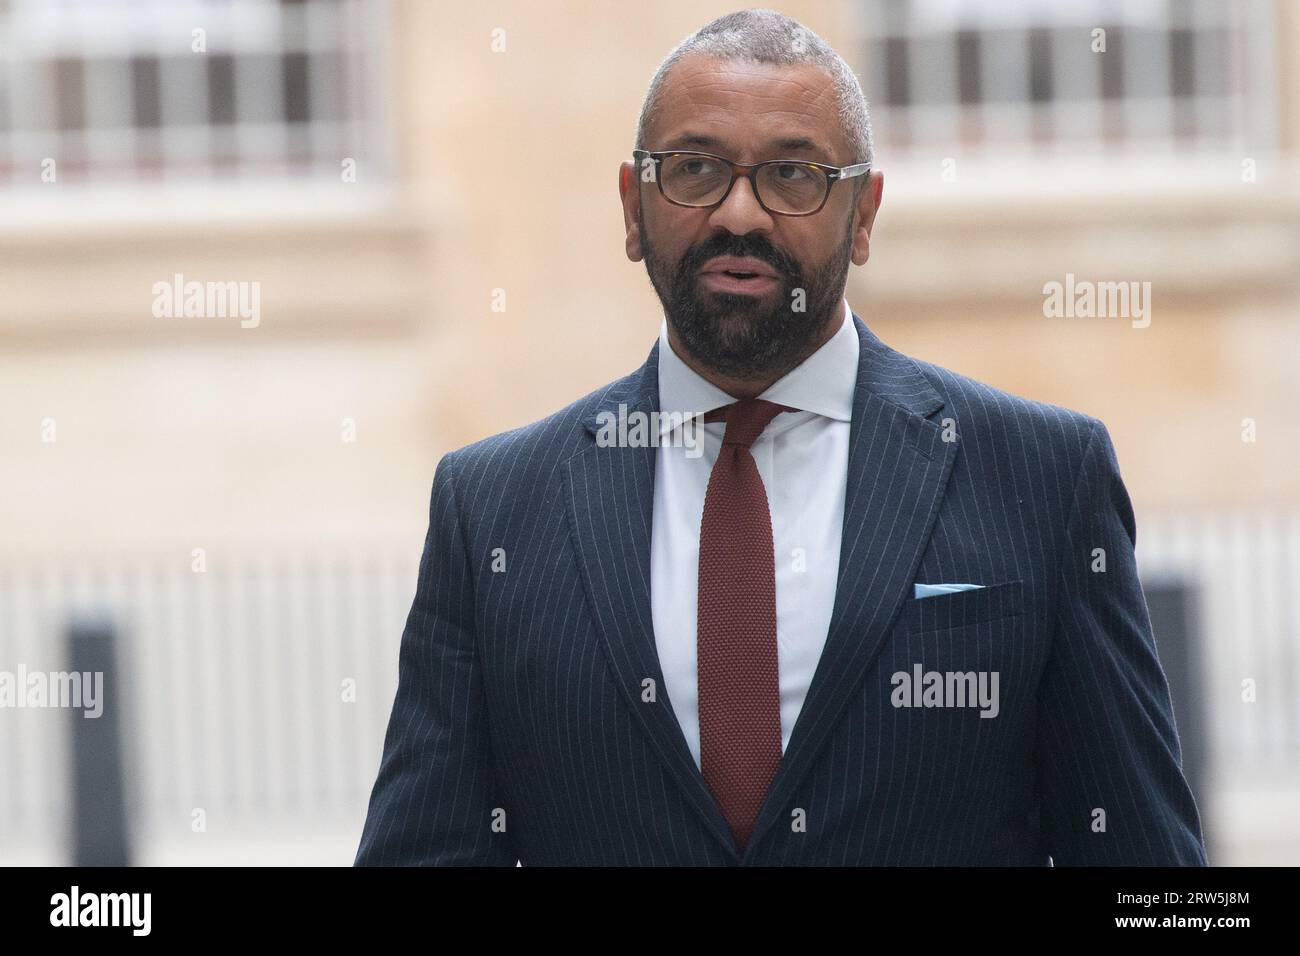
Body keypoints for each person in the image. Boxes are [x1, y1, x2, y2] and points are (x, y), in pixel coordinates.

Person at [355, 9, 1207, 866]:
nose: (740, 214)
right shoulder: (493, 509)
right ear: (632, 204)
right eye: (694, 168)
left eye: (794, 175)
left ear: (864, 213)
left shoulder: (1043, 477)